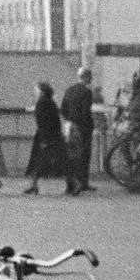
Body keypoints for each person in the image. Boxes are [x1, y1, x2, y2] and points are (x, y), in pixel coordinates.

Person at [25, 82, 67, 195]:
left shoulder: (41, 103)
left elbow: (42, 122)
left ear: (41, 92)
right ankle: (72, 183)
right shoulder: (50, 102)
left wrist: (44, 139)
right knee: (60, 160)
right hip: (53, 135)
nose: (35, 92)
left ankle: (33, 185)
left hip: (45, 136)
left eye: (36, 90)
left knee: (38, 161)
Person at [60, 67, 97, 195]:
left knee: (72, 154)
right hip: (83, 127)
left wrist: (70, 120)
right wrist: (84, 123)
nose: (91, 79)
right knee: (84, 155)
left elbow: (63, 108)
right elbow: (86, 111)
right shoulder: (86, 92)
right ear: (86, 77)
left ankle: (74, 182)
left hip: (69, 126)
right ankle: (83, 182)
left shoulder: (69, 90)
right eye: (90, 76)